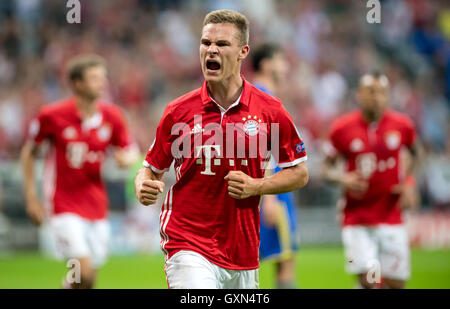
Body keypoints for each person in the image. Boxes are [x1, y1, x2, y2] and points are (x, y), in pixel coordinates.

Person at [134, 9, 309, 289]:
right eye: (205, 43)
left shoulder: (270, 110)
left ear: (243, 51)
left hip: (243, 250)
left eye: (222, 44)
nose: (211, 50)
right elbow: (150, 169)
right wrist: (143, 184)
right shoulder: (178, 111)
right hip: (187, 242)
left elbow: (299, 172)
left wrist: (257, 185)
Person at [21, 54, 138, 289]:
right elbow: (29, 152)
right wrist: (32, 198)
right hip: (63, 204)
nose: (102, 83)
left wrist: (126, 159)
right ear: (77, 83)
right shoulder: (52, 115)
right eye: (94, 78)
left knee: (88, 279)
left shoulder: (112, 116)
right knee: (82, 270)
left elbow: (131, 149)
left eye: (103, 78)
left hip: (96, 204)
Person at [321, 72, 422, 289]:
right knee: (369, 279)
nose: (377, 97)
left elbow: (416, 152)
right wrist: (343, 178)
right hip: (357, 215)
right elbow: (324, 169)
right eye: (371, 92)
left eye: (382, 92)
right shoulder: (342, 128)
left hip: (392, 212)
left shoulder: (402, 125)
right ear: (359, 95)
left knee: (396, 283)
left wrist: (409, 182)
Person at [252, 43, 299, 289]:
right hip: (272, 190)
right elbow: (263, 145)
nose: (286, 65)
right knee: (285, 261)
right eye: (281, 59)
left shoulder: (257, 94)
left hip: (267, 188)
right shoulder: (262, 95)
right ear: (266, 64)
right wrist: (269, 197)